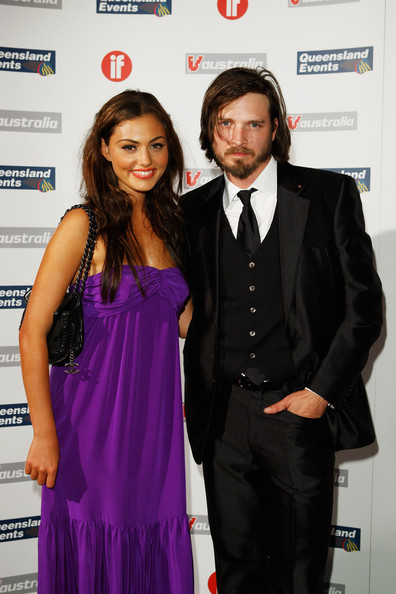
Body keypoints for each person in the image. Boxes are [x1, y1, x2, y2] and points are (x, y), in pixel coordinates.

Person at [182, 67, 382, 594]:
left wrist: (320, 393)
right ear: (210, 128)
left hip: (298, 415)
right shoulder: (190, 212)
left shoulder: (328, 194)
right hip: (222, 419)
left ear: (275, 128)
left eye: (253, 125)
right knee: (237, 569)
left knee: (300, 573)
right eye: (226, 124)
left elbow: (364, 309)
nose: (239, 138)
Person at [19, 90, 194, 594]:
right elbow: (31, 332)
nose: (145, 160)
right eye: (130, 146)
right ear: (104, 149)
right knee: (99, 542)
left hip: (154, 424)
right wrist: (44, 433)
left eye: (157, 146)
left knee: (149, 538)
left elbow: (183, 324)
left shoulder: (170, 224)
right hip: (91, 421)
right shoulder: (83, 224)